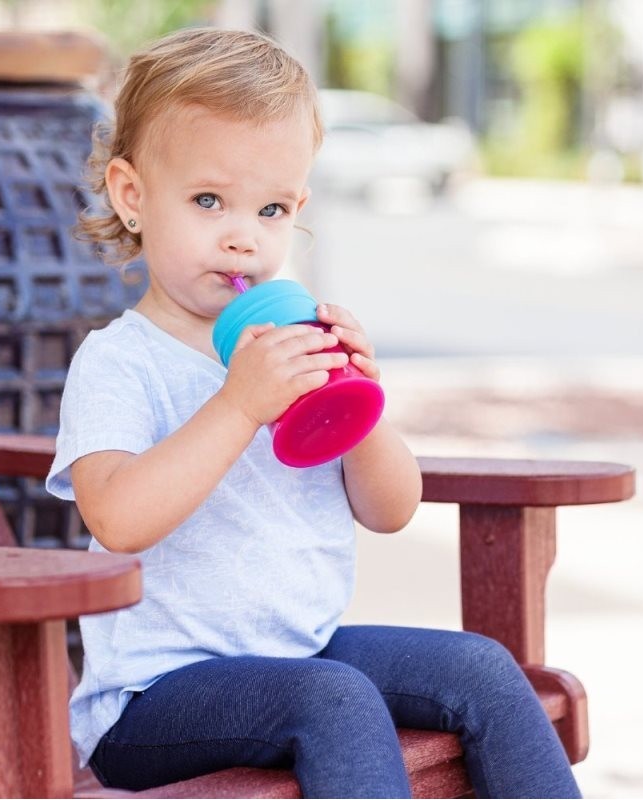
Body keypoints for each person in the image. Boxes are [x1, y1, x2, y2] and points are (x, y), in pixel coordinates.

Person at [46, 27, 581, 799]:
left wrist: (356, 402)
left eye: (268, 210)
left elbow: (391, 510)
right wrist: (238, 405)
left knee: (483, 669)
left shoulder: (296, 352)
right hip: (153, 699)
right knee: (335, 700)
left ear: (296, 206)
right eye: (207, 200)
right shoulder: (120, 362)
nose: (241, 237)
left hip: (303, 650)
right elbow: (118, 518)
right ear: (133, 196)